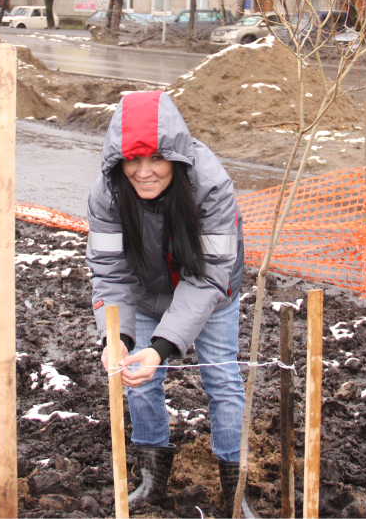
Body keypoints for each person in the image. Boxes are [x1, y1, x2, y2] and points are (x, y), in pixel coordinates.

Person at [86, 91, 258, 518]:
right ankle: (152, 472)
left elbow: (209, 276)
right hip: (144, 292)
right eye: (132, 161)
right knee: (137, 378)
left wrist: (162, 348)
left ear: (177, 157)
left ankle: (235, 487)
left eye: (156, 160)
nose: (143, 173)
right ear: (117, 160)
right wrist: (118, 336)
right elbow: (110, 270)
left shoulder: (211, 186)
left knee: (222, 379)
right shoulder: (108, 193)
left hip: (213, 293)